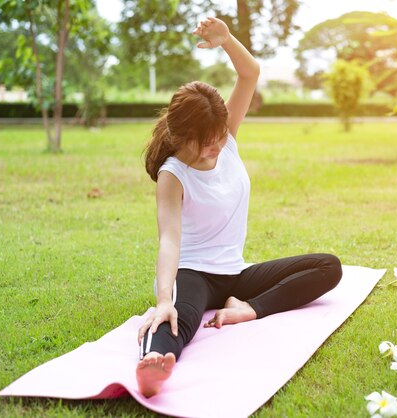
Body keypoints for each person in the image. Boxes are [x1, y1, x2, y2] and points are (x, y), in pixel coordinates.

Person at [136, 16, 342, 398]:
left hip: (235, 274)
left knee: (328, 266)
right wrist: (164, 298)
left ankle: (246, 308)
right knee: (181, 318)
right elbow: (169, 239)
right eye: (206, 142)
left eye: (218, 138)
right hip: (193, 273)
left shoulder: (226, 137)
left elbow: (249, 73)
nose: (215, 147)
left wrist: (227, 39)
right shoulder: (173, 174)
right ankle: (153, 363)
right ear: (182, 137)